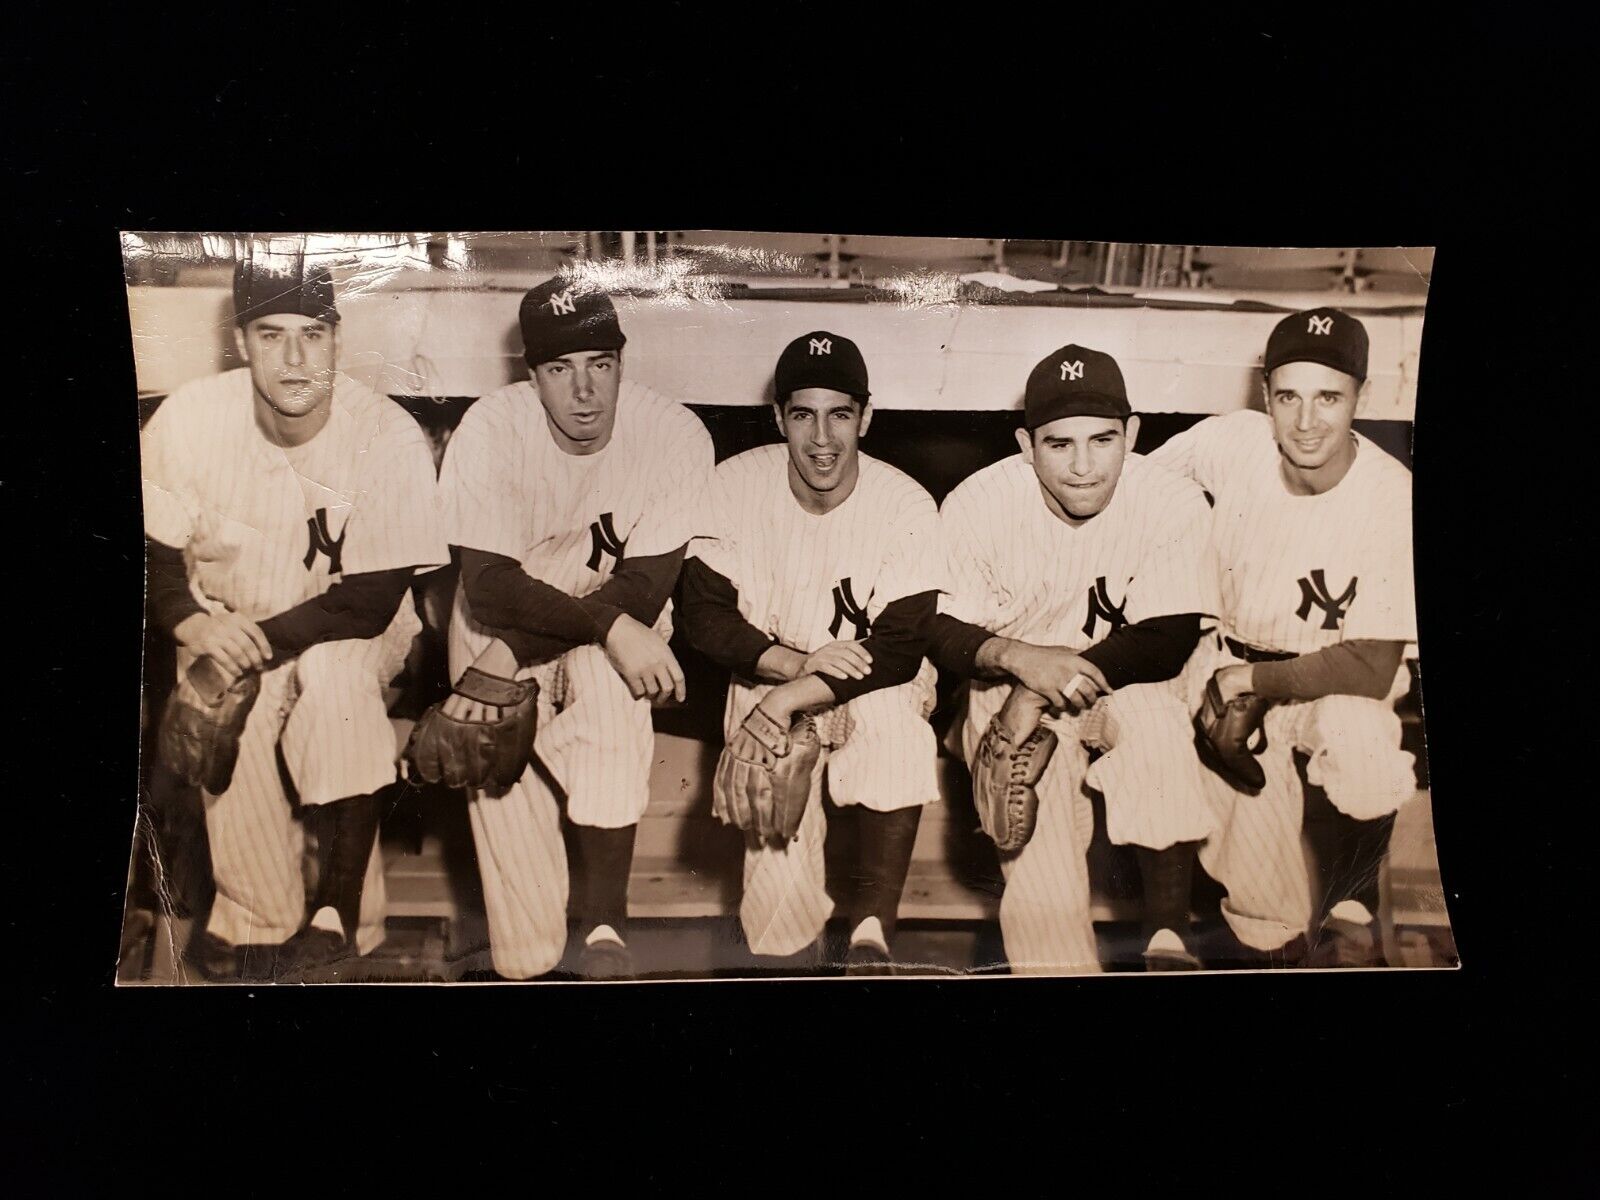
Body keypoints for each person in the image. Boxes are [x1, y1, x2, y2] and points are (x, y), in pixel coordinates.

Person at [142, 249, 447, 981]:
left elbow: (370, 603)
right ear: (242, 342)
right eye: (271, 334)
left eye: (312, 333)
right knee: (230, 727)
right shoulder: (192, 417)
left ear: (338, 338)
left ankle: (340, 915)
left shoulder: (389, 434)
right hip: (224, 615)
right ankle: (257, 922)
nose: (294, 356)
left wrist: (245, 645)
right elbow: (151, 553)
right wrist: (193, 627)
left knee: (335, 686)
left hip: (353, 629)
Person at [435, 277, 714, 980]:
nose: (583, 391)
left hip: (618, 616)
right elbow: (492, 588)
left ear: (623, 363)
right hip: (502, 620)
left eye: (600, 365)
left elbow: (647, 584)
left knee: (614, 707)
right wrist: (604, 625)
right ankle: (527, 964)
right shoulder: (491, 429)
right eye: (560, 369)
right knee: (497, 775)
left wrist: (613, 627)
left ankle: (605, 930)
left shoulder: (674, 433)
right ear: (532, 376)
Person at [930, 344, 1219, 973]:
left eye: (1103, 441)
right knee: (1036, 844)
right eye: (1059, 444)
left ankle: (1168, 942)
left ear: (1133, 436)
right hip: (1001, 684)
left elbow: (1168, 637)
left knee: (1158, 731)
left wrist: (1041, 682)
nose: (1084, 466)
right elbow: (940, 630)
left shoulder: (1170, 499)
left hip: (1128, 680)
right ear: (1025, 444)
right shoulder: (978, 503)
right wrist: (1019, 664)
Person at [1150, 307, 1418, 967]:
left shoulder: (1391, 497)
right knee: (1267, 914)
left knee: (1365, 752)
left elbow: (1372, 667)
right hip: (1228, 663)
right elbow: (1136, 494)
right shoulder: (1229, 443)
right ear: (1265, 392)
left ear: (1362, 396)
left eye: (1329, 396)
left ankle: (1357, 901)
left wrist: (1253, 682)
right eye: (1288, 396)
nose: (1305, 420)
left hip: (1332, 679)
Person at [677, 331, 943, 975]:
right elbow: (703, 616)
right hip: (769, 669)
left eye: (840, 414)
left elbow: (904, 645)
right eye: (803, 415)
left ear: (866, 417)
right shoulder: (735, 484)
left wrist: (801, 692)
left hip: (875, 677)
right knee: (774, 888)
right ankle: (785, 956)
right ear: (778, 418)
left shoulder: (904, 499)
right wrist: (796, 672)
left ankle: (873, 931)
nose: (822, 438)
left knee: (897, 734)